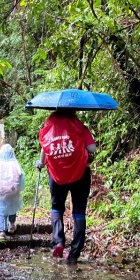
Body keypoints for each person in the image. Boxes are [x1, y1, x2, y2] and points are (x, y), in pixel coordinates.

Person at [36, 109, 96, 264]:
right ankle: (74, 253)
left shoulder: (48, 128)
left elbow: (45, 150)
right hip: (80, 174)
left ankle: (59, 242)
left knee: (56, 207)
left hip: (56, 175)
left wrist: (40, 164)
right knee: (79, 211)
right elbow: (92, 149)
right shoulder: (80, 127)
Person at [0, 144, 25, 240]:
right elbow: (21, 175)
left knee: (1, 210)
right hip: (13, 191)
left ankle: (2, 232)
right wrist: (19, 187)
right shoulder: (15, 164)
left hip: (1, 191)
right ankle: (11, 225)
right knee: (12, 208)